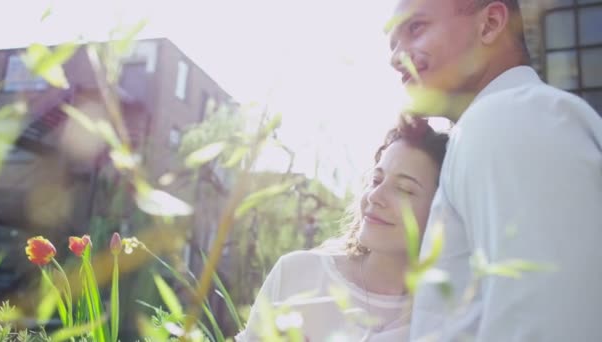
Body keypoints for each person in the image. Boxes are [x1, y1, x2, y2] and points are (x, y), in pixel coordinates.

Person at [387, 0, 602, 341]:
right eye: (392, 44)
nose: (396, 57)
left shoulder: (509, 117)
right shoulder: (497, 125)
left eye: (416, 28)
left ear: (489, 24)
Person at [236, 121, 449, 341]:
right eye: (376, 180)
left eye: (404, 190)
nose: (375, 196)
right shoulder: (297, 274)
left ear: (441, 209)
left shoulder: (450, 316)